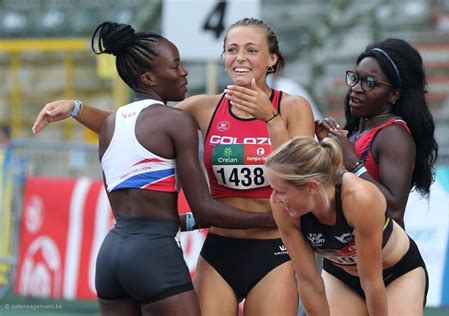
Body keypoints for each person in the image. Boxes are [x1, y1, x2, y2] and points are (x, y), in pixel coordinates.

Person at [33, 18, 315, 315]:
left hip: (274, 248)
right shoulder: (204, 107)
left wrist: (270, 119)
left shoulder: (293, 107)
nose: (240, 58)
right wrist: (76, 109)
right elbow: (137, 122)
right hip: (220, 251)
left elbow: (300, 177)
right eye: (231, 50)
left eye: (251, 50)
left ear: (272, 59)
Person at [265, 136, 428, 316]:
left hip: (396, 271)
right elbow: (309, 281)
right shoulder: (282, 208)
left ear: (311, 187)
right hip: (341, 276)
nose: (274, 199)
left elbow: (371, 282)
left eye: (281, 191)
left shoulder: (359, 197)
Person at [315, 38, 438, 228]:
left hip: (383, 254)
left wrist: (352, 162)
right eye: (355, 78)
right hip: (349, 251)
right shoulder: (358, 129)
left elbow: (395, 210)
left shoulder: (393, 135)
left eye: (370, 83)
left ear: (394, 95)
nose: (355, 88)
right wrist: (329, 148)